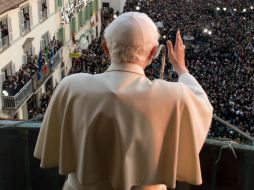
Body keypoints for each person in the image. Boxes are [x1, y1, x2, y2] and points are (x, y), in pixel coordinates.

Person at [34, 12, 213, 190]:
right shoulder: (174, 96)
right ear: (152, 53)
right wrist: (181, 69)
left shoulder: (70, 87)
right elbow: (203, 105)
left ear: (105, 48)